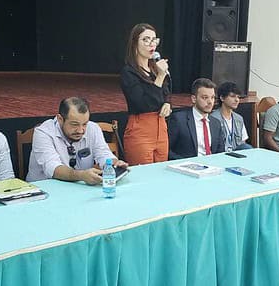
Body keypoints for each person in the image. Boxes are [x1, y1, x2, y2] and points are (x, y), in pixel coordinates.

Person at [26, 97, 128, 184]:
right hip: (45, 190)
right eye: (74, 124)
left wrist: (114, 164)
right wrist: (81, 175)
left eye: (84, 124)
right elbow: (53, 168)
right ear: (60, 119)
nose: (80, 130)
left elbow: (103, 153)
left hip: (80, 187)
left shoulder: (93, 128)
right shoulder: (43, 132)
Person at [120, 23, 171, 165]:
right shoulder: (129, 72)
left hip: (161, 127)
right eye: (146, 40)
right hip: (140, 128)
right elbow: (143, 103)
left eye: (154, 40)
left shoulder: (155, 69)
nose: (151, 44)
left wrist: (168, 103)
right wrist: (160, 77)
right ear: (135, 43)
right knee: (143, 172)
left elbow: (166, 92)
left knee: (160, 171)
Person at [168, 78, 225, 159]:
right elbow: (166, 150)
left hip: (212, 164)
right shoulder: (179, 120)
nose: (210, 102)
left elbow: (220, 152)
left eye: (212, 97)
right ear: (194, 99)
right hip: (187, 164)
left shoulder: (216, 123)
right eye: (205, 97)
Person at [210, 81, 252, 152]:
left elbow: (243, 142)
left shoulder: (239, 118)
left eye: (238, 97)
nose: (237, 100)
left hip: (236, 153)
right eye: (232, 96)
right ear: (222, 98)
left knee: (246, 147)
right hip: (221, 153)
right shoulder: (213, 118)